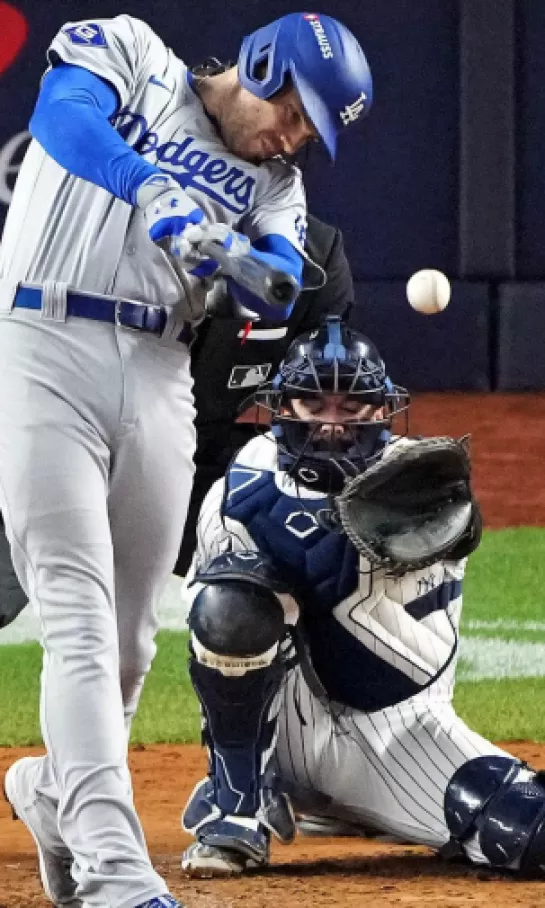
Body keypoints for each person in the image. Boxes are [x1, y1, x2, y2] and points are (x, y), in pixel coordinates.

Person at [0, 13, 372, 908]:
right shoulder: (130, 51)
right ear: (260, 61)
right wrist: (155, 193)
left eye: (308, 131)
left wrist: (246, 261)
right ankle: (114, 872)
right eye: (292, 110)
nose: (291, 136)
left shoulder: (275, 186)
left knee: (131, 641)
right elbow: (64, 116)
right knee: (80, 619)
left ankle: (51, 796)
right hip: (40, 344)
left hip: (162, 373)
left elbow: (281, 271)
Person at [180, 316, 545, 878]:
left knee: (528, 832)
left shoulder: (416, 484)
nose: (332, 425)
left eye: (351, 408)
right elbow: (215, 628)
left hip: (398, 730)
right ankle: (238, 804)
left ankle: (364, 807)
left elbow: (395, 672)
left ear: (381, 410)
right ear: (284, 406)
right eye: (312, 404)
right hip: (286, 736)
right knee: (229, 605)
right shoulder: (245, 479)